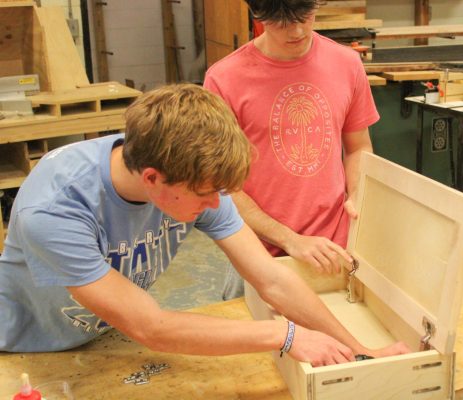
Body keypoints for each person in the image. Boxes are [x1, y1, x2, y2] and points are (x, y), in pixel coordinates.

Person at [0, 84, 409, 364]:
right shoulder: (55, 211)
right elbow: (152, 327)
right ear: (152, 179)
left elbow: (271, 278)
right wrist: (283, 335)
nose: (217, 205)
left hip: (103, 335)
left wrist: (358, 349)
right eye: (206, 195)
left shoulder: (190, 177)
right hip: (29, 351)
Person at [204, 0, 378, 299]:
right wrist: (290, 240)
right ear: (258, 17)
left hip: (336, 249)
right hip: (260, 251)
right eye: (281, 22)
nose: (297, 30)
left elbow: (359, 147)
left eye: (305, 16)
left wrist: (359, 192)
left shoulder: (346, 63)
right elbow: (222, 188)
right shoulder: (224, 79)